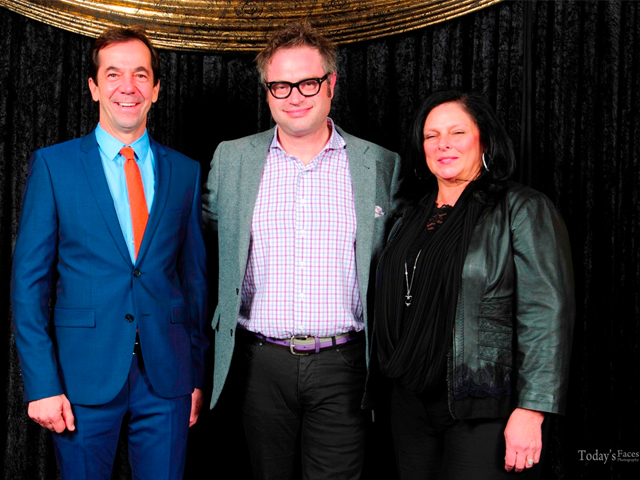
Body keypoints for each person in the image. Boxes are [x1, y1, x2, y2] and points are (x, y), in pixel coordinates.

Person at [202, 21, 401, 480]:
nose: (294, 96)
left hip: (344, 364)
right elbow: (201, 241)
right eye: (281, 85)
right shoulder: (231, 159)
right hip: (258, 364)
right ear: (267, 92)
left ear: (331, 84)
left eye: (308, 82)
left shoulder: (380, 164)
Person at [11, 26, 208, 479]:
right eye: (114, 74)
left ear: (156, 89)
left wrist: (196, 375)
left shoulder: (185, 171)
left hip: (168, 379)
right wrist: (41, 384)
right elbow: (28, 286)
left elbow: (194, 282)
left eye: (141, 75)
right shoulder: (54, 166)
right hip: (81, 376)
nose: (128, 86)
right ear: (94, 87)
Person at [375, 89, 575, 479]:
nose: (443, 144)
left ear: (484, 139)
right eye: (431, 135)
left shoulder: (522, 208)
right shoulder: (407, 215)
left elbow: (546, 314)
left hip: (482, 401)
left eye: (457, 132)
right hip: (408, 401)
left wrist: (533, 409)